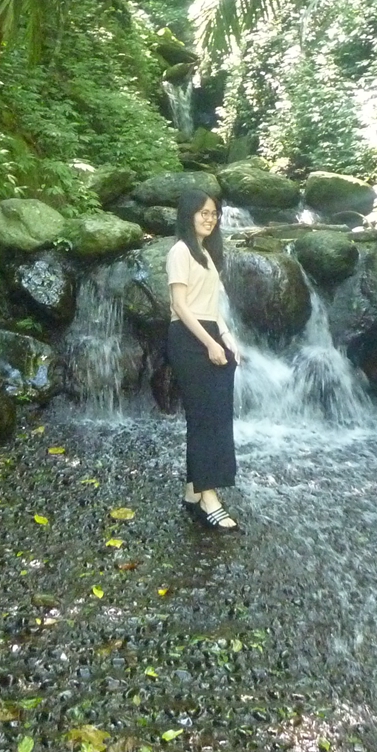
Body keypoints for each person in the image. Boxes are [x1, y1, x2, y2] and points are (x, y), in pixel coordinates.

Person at [166, 190, 241, 530]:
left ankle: (193, 492)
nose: (210, 218)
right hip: (188, 338)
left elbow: (211, 307)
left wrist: (226, 337)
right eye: (203, 213)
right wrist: (210, 343)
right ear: (188, 215)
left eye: (214, 213)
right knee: (205, 419)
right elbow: (180, 306)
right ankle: (209, 498)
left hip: (209, 333)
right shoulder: (180, 251)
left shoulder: (206, 254)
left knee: (215, 417)